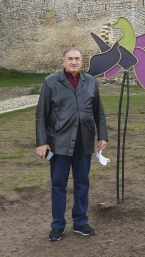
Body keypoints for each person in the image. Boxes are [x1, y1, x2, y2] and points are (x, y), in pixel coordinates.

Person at [35, 47, 109, 241]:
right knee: (58, 184)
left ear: (82, 62)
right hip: (59, 143)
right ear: (63, 62)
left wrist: (103, 135)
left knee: (82, 183)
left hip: (84, 142)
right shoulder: (51, 82)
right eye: (70, 59)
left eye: (77, 59)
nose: (74, 62)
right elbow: (41, 115)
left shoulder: (90, 81)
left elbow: (98, 112)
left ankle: (80, 221)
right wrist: (42, 143)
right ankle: (58, 225)